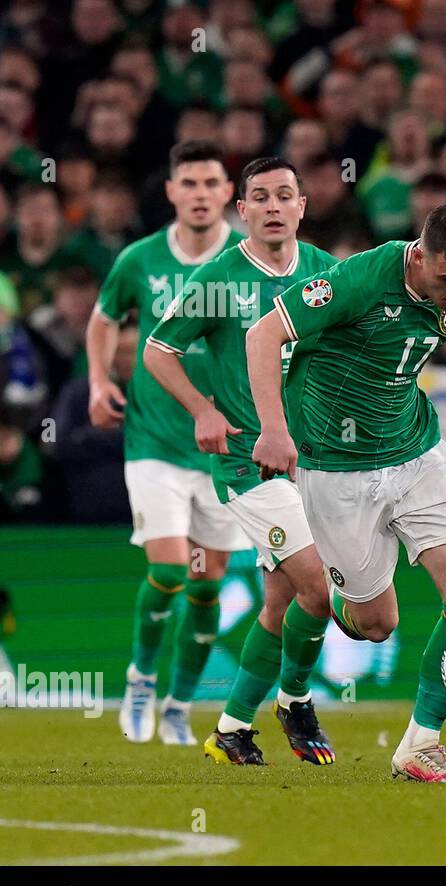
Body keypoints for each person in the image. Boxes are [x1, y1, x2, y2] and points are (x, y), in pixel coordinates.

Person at [244, 201, 446, 783]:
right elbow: (263, 336)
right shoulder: (361, 279)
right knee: (375, 623)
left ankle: (420, 745)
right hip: (337, 471)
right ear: (419, 254)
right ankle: (320, 604)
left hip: (417, 454)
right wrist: (273, 430)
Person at [144, 157, 340, 766]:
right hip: (247, 462)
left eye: (286, 195)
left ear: (303, 206)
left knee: (281, 603)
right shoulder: (219, 279)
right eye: (262, 197)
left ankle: (231, 730)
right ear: (244, 211)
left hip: (316, 457)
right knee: (318, 589)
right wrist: (202, 409)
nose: (275, 206)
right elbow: (158, 350)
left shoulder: (328, 273)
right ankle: (297, 699)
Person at [85, 140, 246, 747]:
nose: (201, 194)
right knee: (172, 569)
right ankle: (140, 680)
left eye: (211, 183)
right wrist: (100, 379)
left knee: (208, 584)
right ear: (172, 192)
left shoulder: (249, 260)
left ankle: (179, 704)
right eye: (190, 183)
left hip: (227, 448)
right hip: (154, 441)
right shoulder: (141, 259)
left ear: (227, 193)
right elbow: (104, 317)